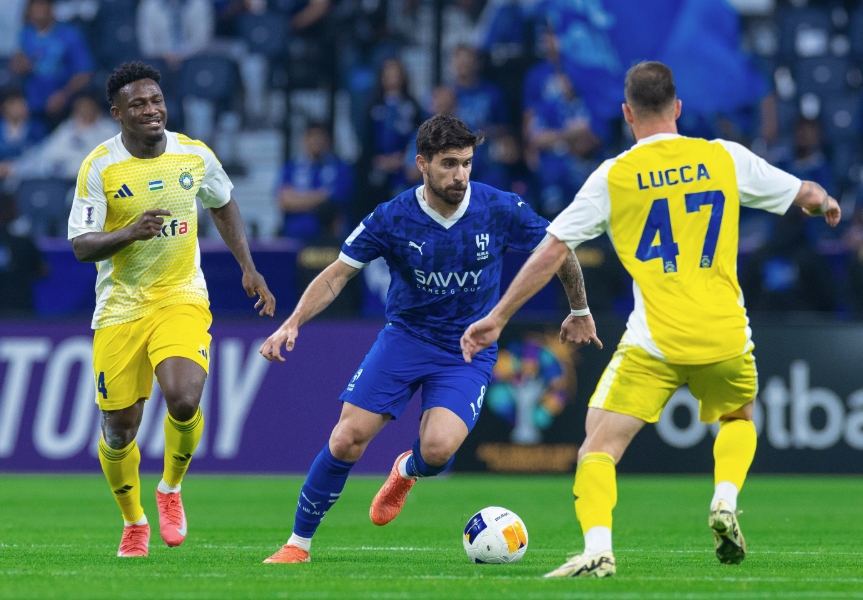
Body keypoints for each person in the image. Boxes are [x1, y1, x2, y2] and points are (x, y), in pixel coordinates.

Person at [461, 61, 841, 578]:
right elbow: (808, 195)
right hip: (725, 334)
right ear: (677, 107)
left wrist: (499, 316)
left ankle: (598, 549)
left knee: (598, 446)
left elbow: (553, 249)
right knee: (739, 420)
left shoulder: (614, 176)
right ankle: (724, 500)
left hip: (655, 339)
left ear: (626, 113)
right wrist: (826, 204)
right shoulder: (722, 157)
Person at [257, 113, 599, 564]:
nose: (460, 175)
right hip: (406, 339)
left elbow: (559, 250)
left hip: (467, 351)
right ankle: (297, 545)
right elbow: (337, 274)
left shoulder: (499, 208)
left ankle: (407, 469)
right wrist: (292, 322)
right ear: (422, 164)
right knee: (345, 439)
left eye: (467, 163)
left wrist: (579, 309)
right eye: (449, 164)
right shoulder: (393, 216)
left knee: (437, 451)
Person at [66, 62, 276, 558]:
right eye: (138, 104)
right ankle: (134, 521)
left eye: (156, 100)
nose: (152, 110)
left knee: (184, 398)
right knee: (119, 427)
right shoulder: (101, 165)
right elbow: (80, 245)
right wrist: (128, 232)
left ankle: (170, 490)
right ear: (118, 114)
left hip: (181, 294)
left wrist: (248, 266)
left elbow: (223, 204)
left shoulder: (195, 155)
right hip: (119, 306)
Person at [11, 0, 93, 123]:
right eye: (36, 6)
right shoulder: (25, 34)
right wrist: (20, 66)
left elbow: (84, 73)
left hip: (64, 107)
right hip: (33, 108)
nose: (40, 10)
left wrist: (64, 95)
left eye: (43, 5)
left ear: (52, 8)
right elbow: (17, 68)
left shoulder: (70, 34)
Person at [11, 93, 118, 179]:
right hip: (64, 184)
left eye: (88, 106)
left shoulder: (109, 129)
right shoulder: (67, 128)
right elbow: (44, 153)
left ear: (96, 107)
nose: (84, 110)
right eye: (80, 106)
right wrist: (15, 168)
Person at [277, 124, 353, 240]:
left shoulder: (341, 168)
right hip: (293, 237)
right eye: (311, 136)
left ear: (328, 140)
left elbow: (336, 200)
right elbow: (284, 201)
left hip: (328, 240)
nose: (316, 141)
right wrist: (320, 196)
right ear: (304, 140)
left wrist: (297, 199)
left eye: (320, 137)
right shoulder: (291, 167)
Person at [0, 191, 48, 315]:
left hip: (20, 315)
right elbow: (43, 271)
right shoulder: (24, 242)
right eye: (12, 205)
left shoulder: (24, 242)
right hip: (21, 315)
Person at [0, 88, 46, 163]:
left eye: (22, 102)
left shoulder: (38, 128)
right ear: (3, 107)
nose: (20, 107)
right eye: (13, 103)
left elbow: (42, 156)